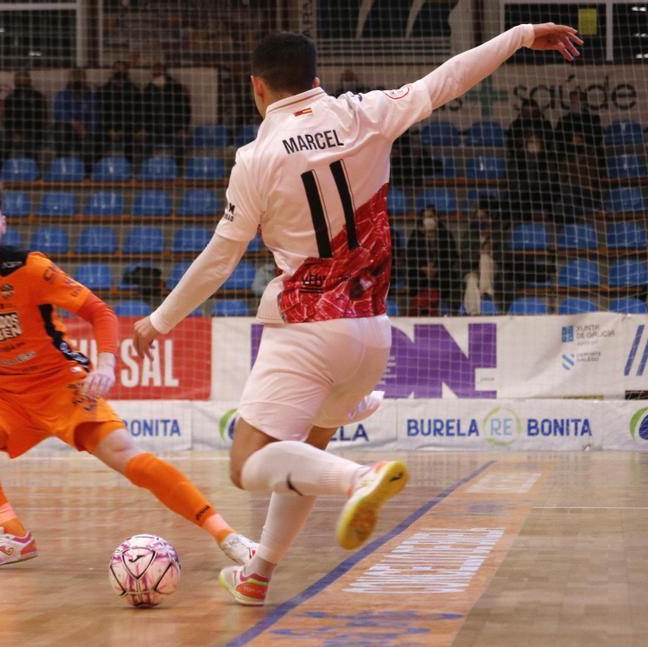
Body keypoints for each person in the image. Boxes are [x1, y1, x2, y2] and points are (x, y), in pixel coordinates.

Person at [132, 23, 582, 606]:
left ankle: (360, 479)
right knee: (304, 457)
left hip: (307, 326)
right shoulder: (364, 112)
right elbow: (448, 79)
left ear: (257, 88)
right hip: (372, 332)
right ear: (315, 78)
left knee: (249, 465)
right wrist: (520, 35)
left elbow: (221, 258)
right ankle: (258, 572)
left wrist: (158, 321)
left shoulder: (257, 156)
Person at [0, 179, 256, 570]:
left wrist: (104, 364)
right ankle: (13, 535)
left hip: (64, 388)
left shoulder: (30, 269)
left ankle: (229, 536)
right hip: (7, 398)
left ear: (4, 223)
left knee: (129, 459)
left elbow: (100, 312)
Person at [404, 206, 461, 316]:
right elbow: (411, 257)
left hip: (440, 272)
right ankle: (419, 308)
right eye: (425, 217)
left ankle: (445, 309)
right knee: (413, 274)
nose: (428, 220)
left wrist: (437, 268)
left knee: (449, 275)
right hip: (421, 272)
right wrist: (423, 267)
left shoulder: (445, 235)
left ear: (436, 218)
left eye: (430, 216)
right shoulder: (416, 235)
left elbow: (451, 256)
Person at [52, 69, 101, 168]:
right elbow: (59, 112)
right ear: (69, 80)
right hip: (67, 129)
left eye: (80, 77)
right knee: (60, 129)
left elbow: (95, 116)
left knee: (92, 139)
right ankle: (63, 167)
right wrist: (73, 122)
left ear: (85, 80)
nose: (77, 80)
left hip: (85, 130)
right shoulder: (62, 95)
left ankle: (88, 172)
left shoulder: (91, 96)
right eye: (75, 77)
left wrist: (86, 128)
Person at [0, 70, 49, 164]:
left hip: (33, 131)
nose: (21, 81)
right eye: (18, 79)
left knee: (28, 142)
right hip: (14, 131)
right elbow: (6, 119)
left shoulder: (37, 96)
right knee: (3, 142)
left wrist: (24, 132)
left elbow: (42, 118)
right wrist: (15, 132)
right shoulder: (10, 98)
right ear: (14, 81)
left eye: (24, 79)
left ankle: (34, 170)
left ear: (29, 80)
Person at [141, 64, 191, 156]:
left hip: (174, 130)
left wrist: (183, 129)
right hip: (154, 130)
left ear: (164, 72)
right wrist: (144, 128)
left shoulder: (177, 88)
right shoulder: (148, 89)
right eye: (154, 72)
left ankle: (177, 169)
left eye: (159, 71)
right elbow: (144, 111)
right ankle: (147, 168)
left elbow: (185, 110)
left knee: (179, 146)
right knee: (145, 147)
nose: (157, 74)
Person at [98, 61, 143, 160]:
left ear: (127, 72)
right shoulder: (104, 90)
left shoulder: (134, 90)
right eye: (117, 68)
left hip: (128, 128)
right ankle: (97, 170)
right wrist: (109, 129)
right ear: (113, 71)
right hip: (109, 129)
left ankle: (129, 171)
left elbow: (138, 112)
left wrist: (132, 128)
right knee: (97, 138)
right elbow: (101, 113)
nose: (120, 71)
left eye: (122, 68)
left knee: (131, 139)